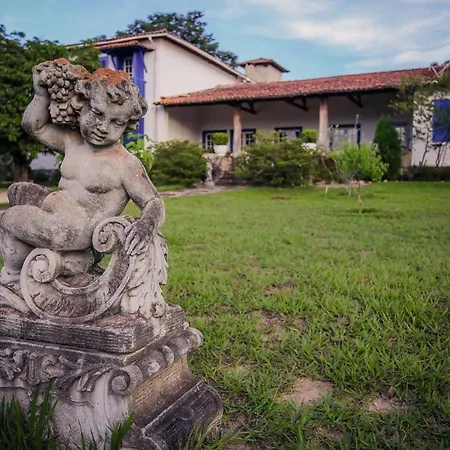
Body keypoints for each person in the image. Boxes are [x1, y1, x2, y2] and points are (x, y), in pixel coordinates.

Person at [0, 63, 164, 284]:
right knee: (18, 191)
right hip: (56, 210)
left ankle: (12, 277)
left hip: (72, 230)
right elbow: (34, 126)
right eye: (97, 113)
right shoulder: (73, 142)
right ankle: (45, 261)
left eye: (116, 122)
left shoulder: (125, 164)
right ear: (81, 105)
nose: (103, 127)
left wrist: (146, 226)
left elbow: (153, 201)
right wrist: (41, 95)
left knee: (8, 219)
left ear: (127, 125)